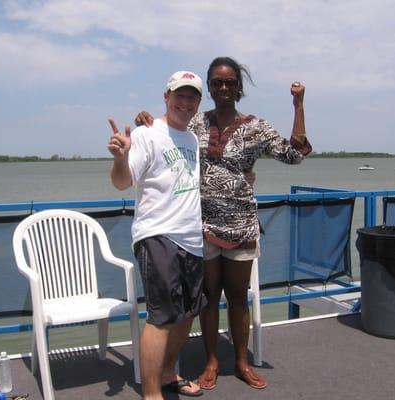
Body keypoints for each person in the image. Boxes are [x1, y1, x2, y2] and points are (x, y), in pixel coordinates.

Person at [134, 57, 312, 391]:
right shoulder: (195, 123)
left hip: (241, 223)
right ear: (210, 87)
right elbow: (167, 131)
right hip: (200, 224)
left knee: (238, 297)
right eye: (217, 82)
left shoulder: (256, 126)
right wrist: (144, 119)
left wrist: (298, 105)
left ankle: (242, 362)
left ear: (239, 87)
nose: (224, 87)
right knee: (209, 296)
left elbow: (294, 155)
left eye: (230, 82)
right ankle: (212, 360)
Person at [108, 70, 206, 399]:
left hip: (191, 238)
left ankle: (167, 374)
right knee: (162, 317)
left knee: (186, 314)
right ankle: (151, 394)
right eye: (179, 95)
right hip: (157, 235)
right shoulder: (148, 133)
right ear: (166, 97)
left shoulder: (192, 139)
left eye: (192, 96)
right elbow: (122, 182)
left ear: (197, 103)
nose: (185, 102)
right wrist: (121, 157)